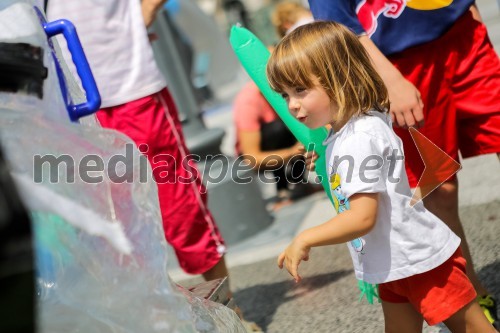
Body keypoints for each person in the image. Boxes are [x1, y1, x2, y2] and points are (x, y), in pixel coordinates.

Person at [267, 21, 496, 332]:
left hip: (420, 263)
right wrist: (330, 160)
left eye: (300, 90)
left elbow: (362, 217)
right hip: (393, 262)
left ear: (339, 77)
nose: (292, 104)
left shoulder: (359, 137)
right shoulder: (346, 131)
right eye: (284, 94)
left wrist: (306, 237)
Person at [46, 2, 261, 331]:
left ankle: (231, 315)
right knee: (112, 226)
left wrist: (142, 14)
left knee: (182, 210)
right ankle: (158, 319)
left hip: (131, 89)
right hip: (69, 103)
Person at [233, 80, 305, 210]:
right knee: (277, 130)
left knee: (296, 123)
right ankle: (283, 189)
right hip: (257, 152)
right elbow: (252, 158)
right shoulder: (248, 101)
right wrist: (293, 152)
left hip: (284, 141)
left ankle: (299, 183)